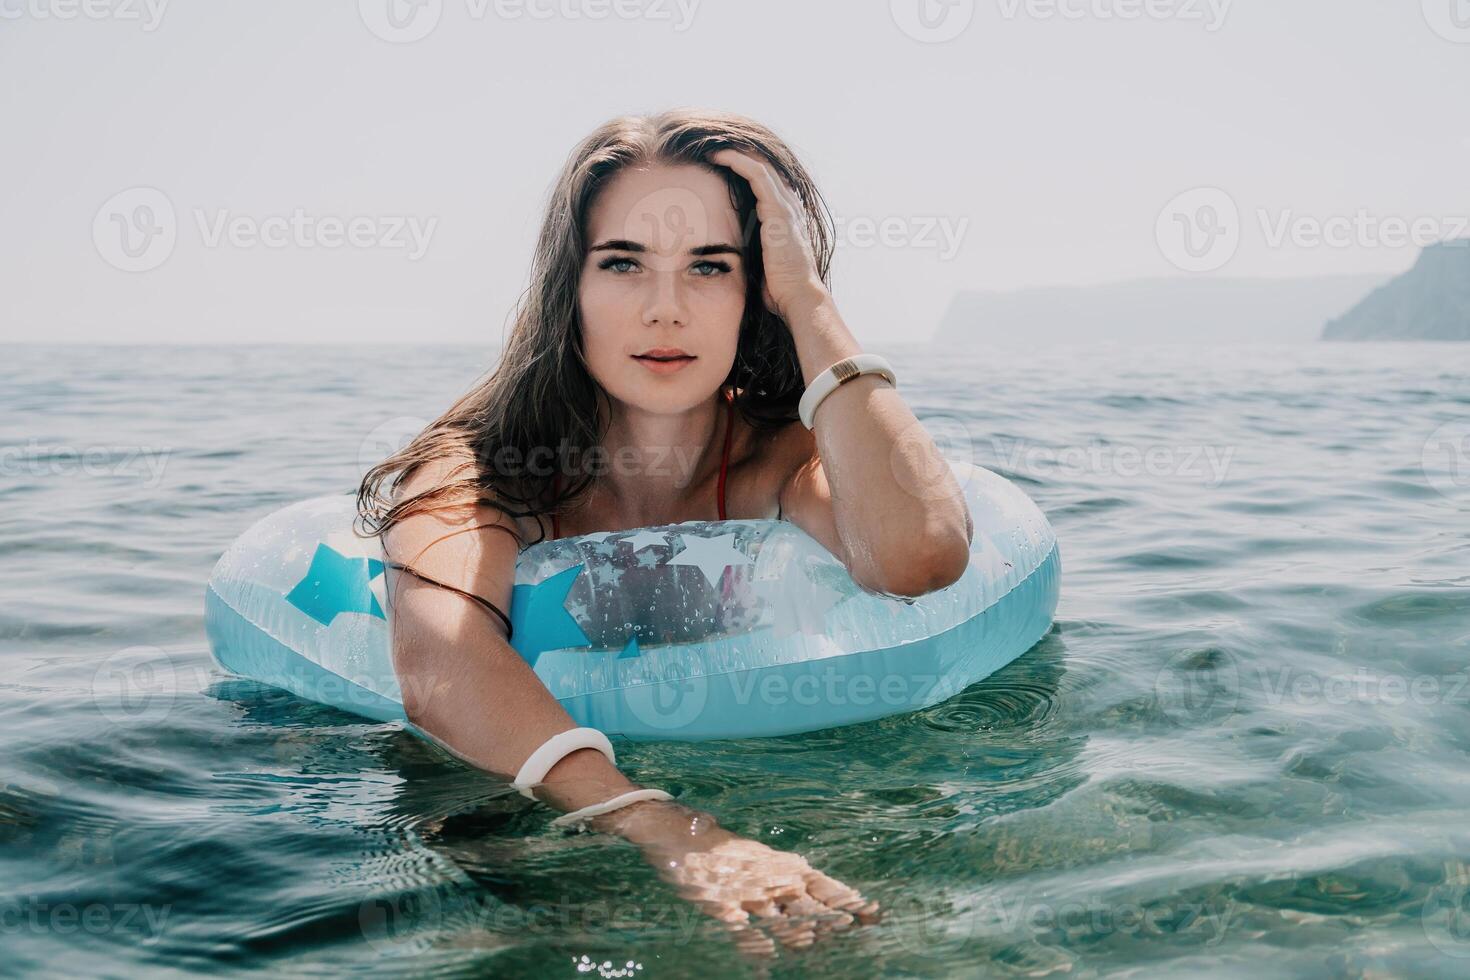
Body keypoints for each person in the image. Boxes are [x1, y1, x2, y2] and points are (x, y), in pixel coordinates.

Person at [355, 108, 973, 957]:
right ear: (568, 288)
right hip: (499, 819)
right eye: (623, 265)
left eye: (710, 267)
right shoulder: (483, 466)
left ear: (752, 290)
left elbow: (920, 557)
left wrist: (811, 303)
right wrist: (673, 833)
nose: (665, 310)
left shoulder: (777, 456)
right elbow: (439, 667)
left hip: (777, 795)